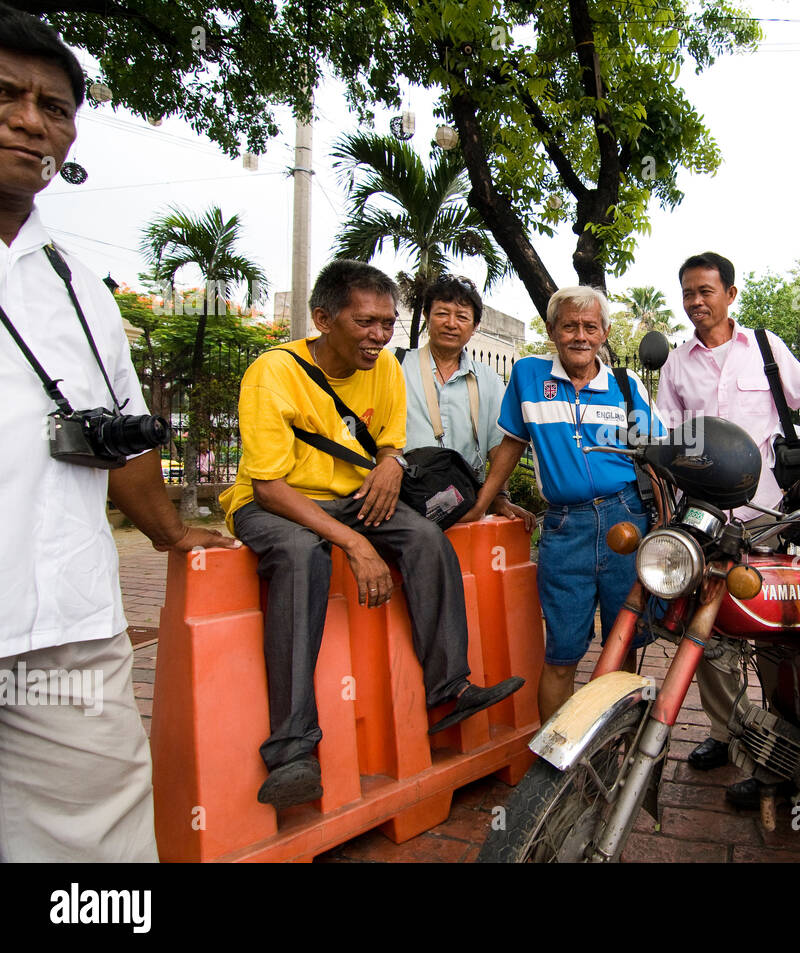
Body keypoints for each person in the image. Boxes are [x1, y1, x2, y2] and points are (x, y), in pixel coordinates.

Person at [0, 7, 238, 861]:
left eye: (53, 106)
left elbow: (120, 438)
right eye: (6, 94)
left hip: (61, 623)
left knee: (100, 851)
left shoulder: (76, 287)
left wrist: (175, 534)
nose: (31, 120)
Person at [218, 260, 522, 811]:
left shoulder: (384, 367)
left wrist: (390, 462)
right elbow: (268, 487)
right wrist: (354, 543)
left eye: (386, 323)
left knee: (428, 538)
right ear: (322, 318)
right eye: (365, 323)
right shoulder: (272, 371)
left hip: (354, 496)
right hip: (279, 501)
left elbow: (389, 438)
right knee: (299, 551)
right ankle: (292, 750)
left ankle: (449, 688)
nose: (379, 336)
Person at [656, 252, 800, 786]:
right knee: (710, 624)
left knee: (771, 624)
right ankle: (729, 730)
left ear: (731, 294)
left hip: (766, 514)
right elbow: (668, 434)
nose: (697, 301)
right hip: (703, 515)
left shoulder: (765, 348)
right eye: (689, 292)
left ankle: (780, 735)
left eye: (706, 291)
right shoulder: (676, 363)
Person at [468, 286, 662, 721]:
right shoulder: (528, 375)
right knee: (561, 652)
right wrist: (486, 501)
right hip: (564, 528)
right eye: (569, 326)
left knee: (622, 642)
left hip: (625, 522)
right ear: (552, 330)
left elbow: (656, 456)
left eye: (590, 327)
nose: (580, 336)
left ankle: (615, 750)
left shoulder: (626, 387)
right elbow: (511, 444)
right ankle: (553, 765)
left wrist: (665, 524)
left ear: (605, 333)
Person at [400, 273, 534, 529]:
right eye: (442, 313)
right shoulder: (397, 368)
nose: (451, 323)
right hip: (405, 504)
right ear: (427, 317)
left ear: (475, 327)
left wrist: (498, 497)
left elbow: (500, 446)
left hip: (466, 507)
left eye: (462, 317)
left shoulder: (488, 378)